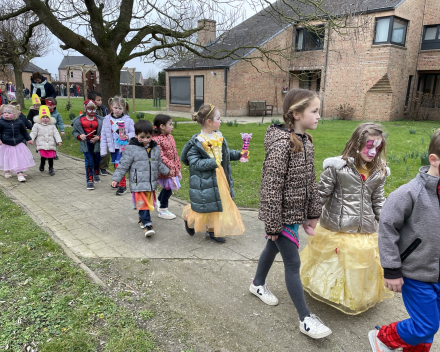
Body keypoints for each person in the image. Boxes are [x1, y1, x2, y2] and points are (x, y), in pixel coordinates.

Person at [249, 88, 332, 339]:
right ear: (296, 114)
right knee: (293, 263)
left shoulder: (306, 141)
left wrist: (312, 213)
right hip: (281, 216)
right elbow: (270, 186)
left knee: (270, 249)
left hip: (295, 213)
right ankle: (305, 318)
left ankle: (257, 284)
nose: (319, 116)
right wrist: (273, 225)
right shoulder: (281, 145)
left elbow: (309, 182)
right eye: (314, 111)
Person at [300, 123, 393, 315]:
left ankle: (355, 295)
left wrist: (385, 221)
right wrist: (310, 216)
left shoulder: (379, 171)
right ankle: (330, 291)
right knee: (337, 262)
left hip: (365, 228)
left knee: (361, 263)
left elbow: (378, 200)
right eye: (369, 146)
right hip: (337, 227)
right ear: (357, 144)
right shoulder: (337, 168)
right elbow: (321, 195)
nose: (373, 152)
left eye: (378, 148)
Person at [368, 129, 440, 352]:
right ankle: (383, 337)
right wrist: (391, 269)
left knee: (428, 324)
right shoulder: (410, 193)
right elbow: (387, 227)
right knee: (426, 324)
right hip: (417, 274)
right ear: (434, 160)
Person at [180, 103, 245, 243]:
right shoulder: (197, 142)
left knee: (218, 203)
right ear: (209, 122)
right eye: (218, 118)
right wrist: (213, 162)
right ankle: (188, 217)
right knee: (205, 205)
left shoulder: (218, 137)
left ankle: (213, 230)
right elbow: (195, 163)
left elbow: (225, 155)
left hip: (220, 176)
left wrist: (239, 154)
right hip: (205, 179)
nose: (220, 121)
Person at [112, 120, 170, 237]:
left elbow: (158, 163)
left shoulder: (155, 148)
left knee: (147, 204)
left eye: (148, 137)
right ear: (136, 135)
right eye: (142, 137)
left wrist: (168, 171)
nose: (145, 140)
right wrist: (116, 179)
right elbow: (123, 165)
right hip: (138, 183)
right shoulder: (131, 149)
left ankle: (142, 217)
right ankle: (147, 224)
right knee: (143, 204)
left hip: (150, 183)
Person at [100, 96, 135, 195]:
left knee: (119, 165)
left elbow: (134, 133)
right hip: (112, 148)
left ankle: (122, 186)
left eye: (120, 108)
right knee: (115, 165)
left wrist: (128, 135)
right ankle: (118, 180)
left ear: (124, 108)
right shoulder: (106, 120)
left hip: (123, 148)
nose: (118, 110)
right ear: (111, 107)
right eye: (116, 108)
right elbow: (103, 135)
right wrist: (103, 150)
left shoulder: (128, 120)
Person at [151, 114, 182, 220]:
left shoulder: (170, 137)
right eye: (170, 124)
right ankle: (163, 209)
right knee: (168, 188)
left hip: (172, 168)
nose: (172, 126)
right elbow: (161, 156)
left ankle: (160, 201)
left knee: (168, 188)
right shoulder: (156, 140)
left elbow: (174, 152)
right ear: (162, 126)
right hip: (164, 170)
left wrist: (177, 164)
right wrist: (171, 166)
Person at [72, 100, 103, 190]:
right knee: (89, 162)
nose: (91, 112)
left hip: (97, 144)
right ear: (85, 109)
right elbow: (74, 132)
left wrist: (98, 138)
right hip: (86, 144)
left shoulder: (100, 120)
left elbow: (106, 133)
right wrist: (79, 136)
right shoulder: (79, 121)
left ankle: (96, 173)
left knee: (97, 160)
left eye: (93, 110)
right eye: (89, 110)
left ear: (96, 109)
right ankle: (89, 180)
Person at [0, 104, 35, 182]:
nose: (6, 114)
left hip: (18, 143)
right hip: (6, 144)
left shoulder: (19, 122)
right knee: (7, 158)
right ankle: (7, 170)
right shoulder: (1, 122)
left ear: (14, 114)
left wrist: (28, 139)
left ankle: (19, 173)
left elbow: (24, 131)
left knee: (19, 158)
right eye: (4, 112)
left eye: (9, 113)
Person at [29, 105, 62, 176]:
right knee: (43, 155)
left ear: (49, 118)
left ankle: (51, 168)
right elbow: (33, 132)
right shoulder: (36, 125)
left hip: (50, 143)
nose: (45, 119)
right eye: (43, 117)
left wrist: (59, 141)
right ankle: (42, 164)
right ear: (40, 118)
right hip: (41, 143)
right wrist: (30, 139)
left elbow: (56, 133)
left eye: (47, 117)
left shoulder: (52, 126)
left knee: (51, 156)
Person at [87, 90, 110, 175]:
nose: (100, 102)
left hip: (104, 133)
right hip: (93, 133)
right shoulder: (90, 111)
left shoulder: (104, 108)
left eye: (101, 100)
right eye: (98, 100)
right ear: (92, 101)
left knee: (106, 151)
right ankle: (94, 166)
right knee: (94, 151)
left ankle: (103, 167)